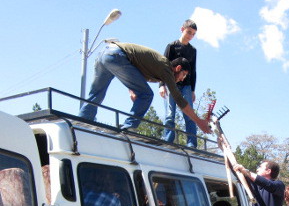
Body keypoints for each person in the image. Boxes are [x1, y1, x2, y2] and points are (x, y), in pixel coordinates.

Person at [78, 41, 211, 135]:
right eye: (183, 75)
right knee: (147, 95)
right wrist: (199, 122)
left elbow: (132, 71)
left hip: (105, 54)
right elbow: (179, 99)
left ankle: (83, 121)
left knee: (96, 93)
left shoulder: (154, 67)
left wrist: (132, 89)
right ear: (177, 68)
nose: (182, 79)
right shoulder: (166, 69)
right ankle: (129, 127)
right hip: (117, 55)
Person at [160, 19, 199, 147]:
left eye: (193, 34)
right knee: (170, 114)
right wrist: (162, 85)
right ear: (182, 29)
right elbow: (163, 66)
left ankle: (192, 143)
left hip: (186, 86)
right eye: (189, 32)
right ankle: (168, 141)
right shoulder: (171, 46)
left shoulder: (193, 51)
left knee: (189, 114)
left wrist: (193, 90)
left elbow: (193, 71)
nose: (190, 36)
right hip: (172, 83)